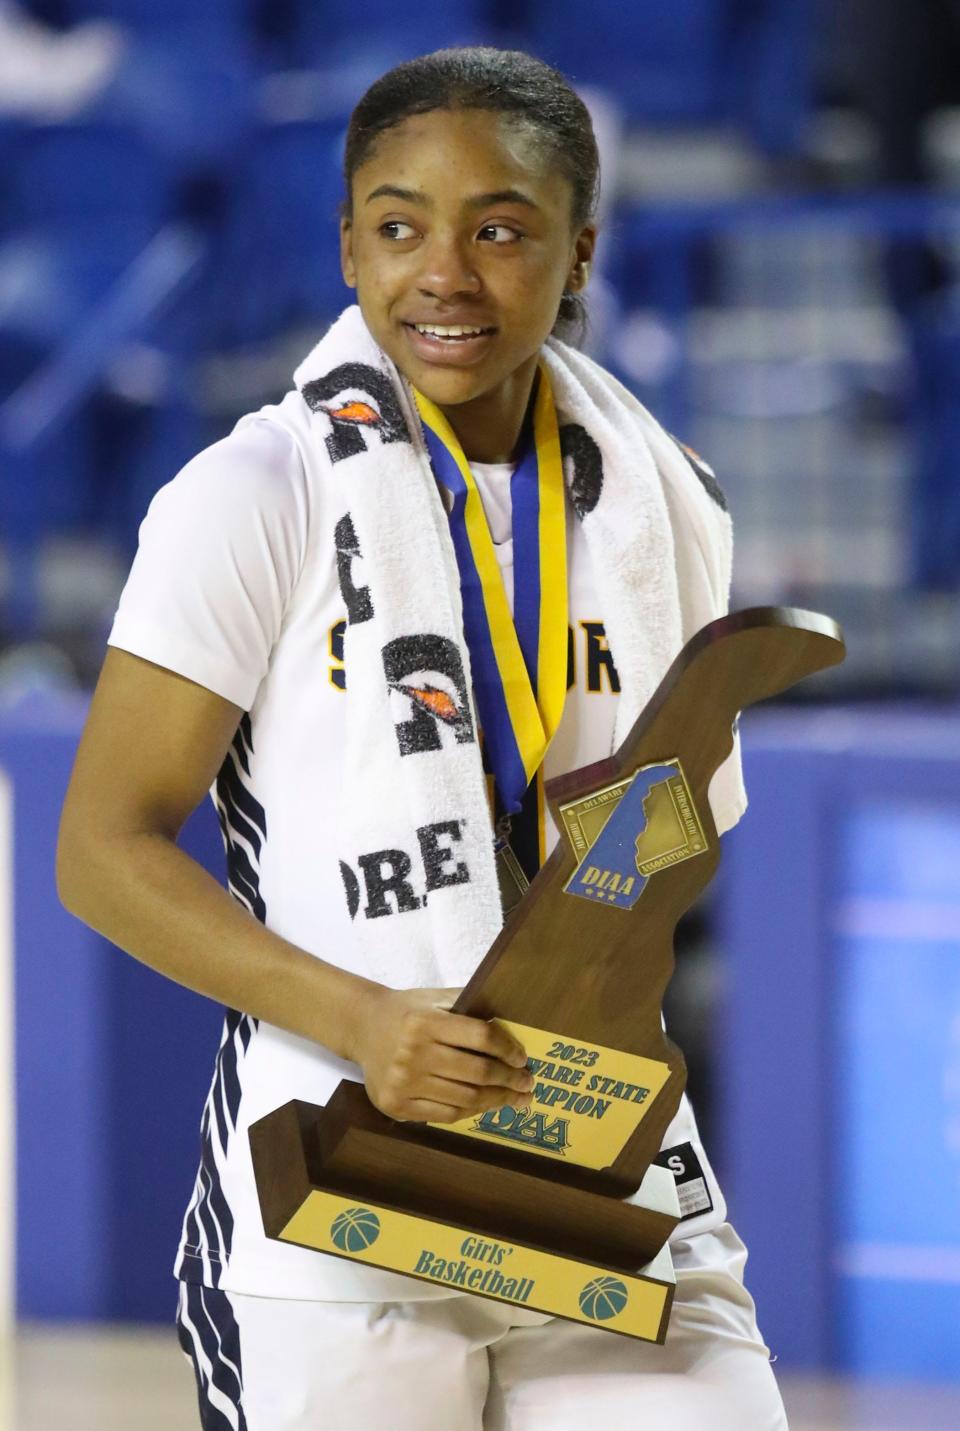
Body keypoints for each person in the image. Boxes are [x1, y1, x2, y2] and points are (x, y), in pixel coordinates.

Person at [57, 46, 789, 1431]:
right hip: (337, 1180)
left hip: (604, 1161)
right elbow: (100, 849)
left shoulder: (670, 503)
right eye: (398, 226)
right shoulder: (249, 494)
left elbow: (669, 842)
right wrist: (369, 1021)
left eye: (499, 230)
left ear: (580, 253)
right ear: (347, 248)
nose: (443, 272)